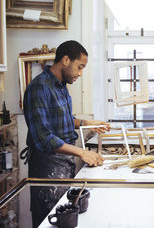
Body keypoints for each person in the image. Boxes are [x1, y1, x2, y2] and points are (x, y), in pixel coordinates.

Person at [22, 40, 110, 227]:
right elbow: (43, 137)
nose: (80, 73)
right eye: (80, 67)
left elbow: (63, 119)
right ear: (65, 59)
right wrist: (82, 152)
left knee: (65, 219)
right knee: (49, 220)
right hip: (47, 168)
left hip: (64, 164)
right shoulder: (39, 88)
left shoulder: (61, 86)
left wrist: (87, 123)